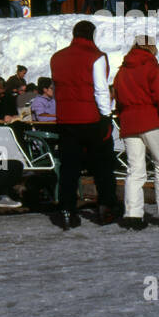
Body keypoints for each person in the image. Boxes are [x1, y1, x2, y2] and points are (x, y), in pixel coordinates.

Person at [49, 21, 117, 228]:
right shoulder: (96, 57)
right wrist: (106, 116)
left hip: (66, 119)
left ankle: (67, 210)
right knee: (102, 166)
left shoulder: (57, 58)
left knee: (69, 168)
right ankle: (106, 207)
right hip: (91, 118)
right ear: (92, 35)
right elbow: (101, 89)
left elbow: (56, 87)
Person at [112, 36, 159, 229]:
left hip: (129, 123)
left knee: (135, 171)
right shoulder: (153, 67)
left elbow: (117, 98)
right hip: (151, 121)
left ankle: (133, 214)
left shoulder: (121, 71)